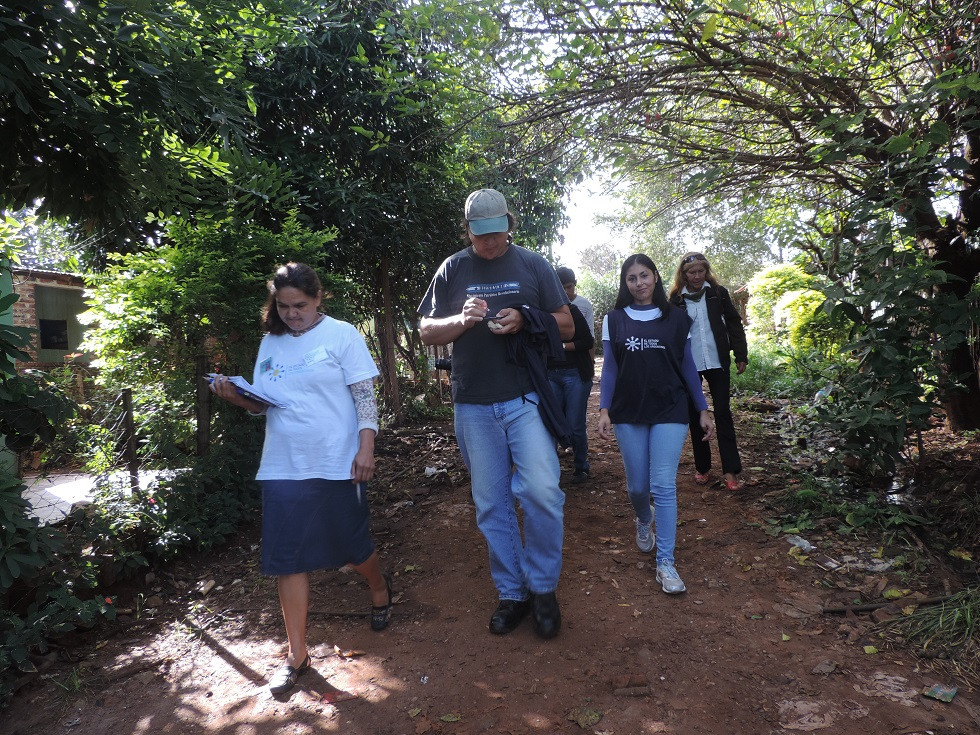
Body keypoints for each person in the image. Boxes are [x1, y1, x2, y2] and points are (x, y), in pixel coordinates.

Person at [209, 262, 391, 696]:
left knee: (352, 546)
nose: (291, 314)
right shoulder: (270, 342)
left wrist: (366, 448)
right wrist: (237, 397)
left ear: (318, 299)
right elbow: (263, 404)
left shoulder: (343, 334)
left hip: (338, 458)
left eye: (300, 306)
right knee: (287, 557)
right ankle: (297, 655)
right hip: (283, 463)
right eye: (283, 306)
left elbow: (365, 397)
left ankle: (380, 587)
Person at [418, 188, 573, 639]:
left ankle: (543, 586)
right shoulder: (453, 268)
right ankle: (513, 592)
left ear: (510, 223)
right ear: (467, 229)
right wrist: (461, 321)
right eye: (480, 235)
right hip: (473, 404)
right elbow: (427, 330)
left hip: (524, 398)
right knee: (492, 503)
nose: (489, 243)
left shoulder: (531, 264)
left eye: (497, 233)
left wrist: (526, 317)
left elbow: (565, 323)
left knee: (543, 491)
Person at [597, 254, 715, 595]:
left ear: (655, 277)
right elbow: (610, 369)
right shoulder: (614, 319)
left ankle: (666, 562)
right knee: (637, 487)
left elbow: (688, 366)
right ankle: (642, 517)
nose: (639, 283)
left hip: (670, 408)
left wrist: (702, 408)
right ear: (625, 283)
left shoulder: (677, 319)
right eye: (632, 278)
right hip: (629, 410)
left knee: (663, 485)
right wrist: (604, 408)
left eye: (644, 276)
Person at [668, 252, 748, 491]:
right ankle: (702, 467)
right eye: (691, 272)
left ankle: (730, 470)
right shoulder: (676, 300)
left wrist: (740, 354)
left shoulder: (717, 294)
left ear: (706, 271)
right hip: (689, 364)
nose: (696, 276)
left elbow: (734, 323)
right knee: (695, 414)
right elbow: (670, 333)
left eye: (700, 271)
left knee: (723, 411)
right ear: (683, 274)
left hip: (718, 359)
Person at [548, 276, 594, 483]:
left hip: (575, 372)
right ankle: (550, 468)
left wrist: (562, 347)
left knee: (575, 424)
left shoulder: (574, 311)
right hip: (550, 374)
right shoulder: (541, 312)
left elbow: (587, 341)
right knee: (552, 422)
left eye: (568, 286)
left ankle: (581, 466)